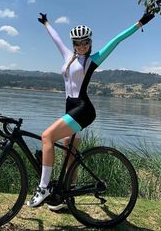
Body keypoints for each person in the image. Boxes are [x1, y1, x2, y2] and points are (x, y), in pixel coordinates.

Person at [27, 11, 154, 207]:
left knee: (47, 137)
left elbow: (116, 40)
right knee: (69, 156)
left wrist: (139, 23)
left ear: (89, 42)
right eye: (78, 43)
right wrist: (46, 23)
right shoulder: (68, 55)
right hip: (70, 109)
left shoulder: (93, 60)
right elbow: (56, 39)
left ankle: (43, 188)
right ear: (73, 44)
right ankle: (66, 198)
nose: (82, 45)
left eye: (85, 42)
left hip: (83, 109)